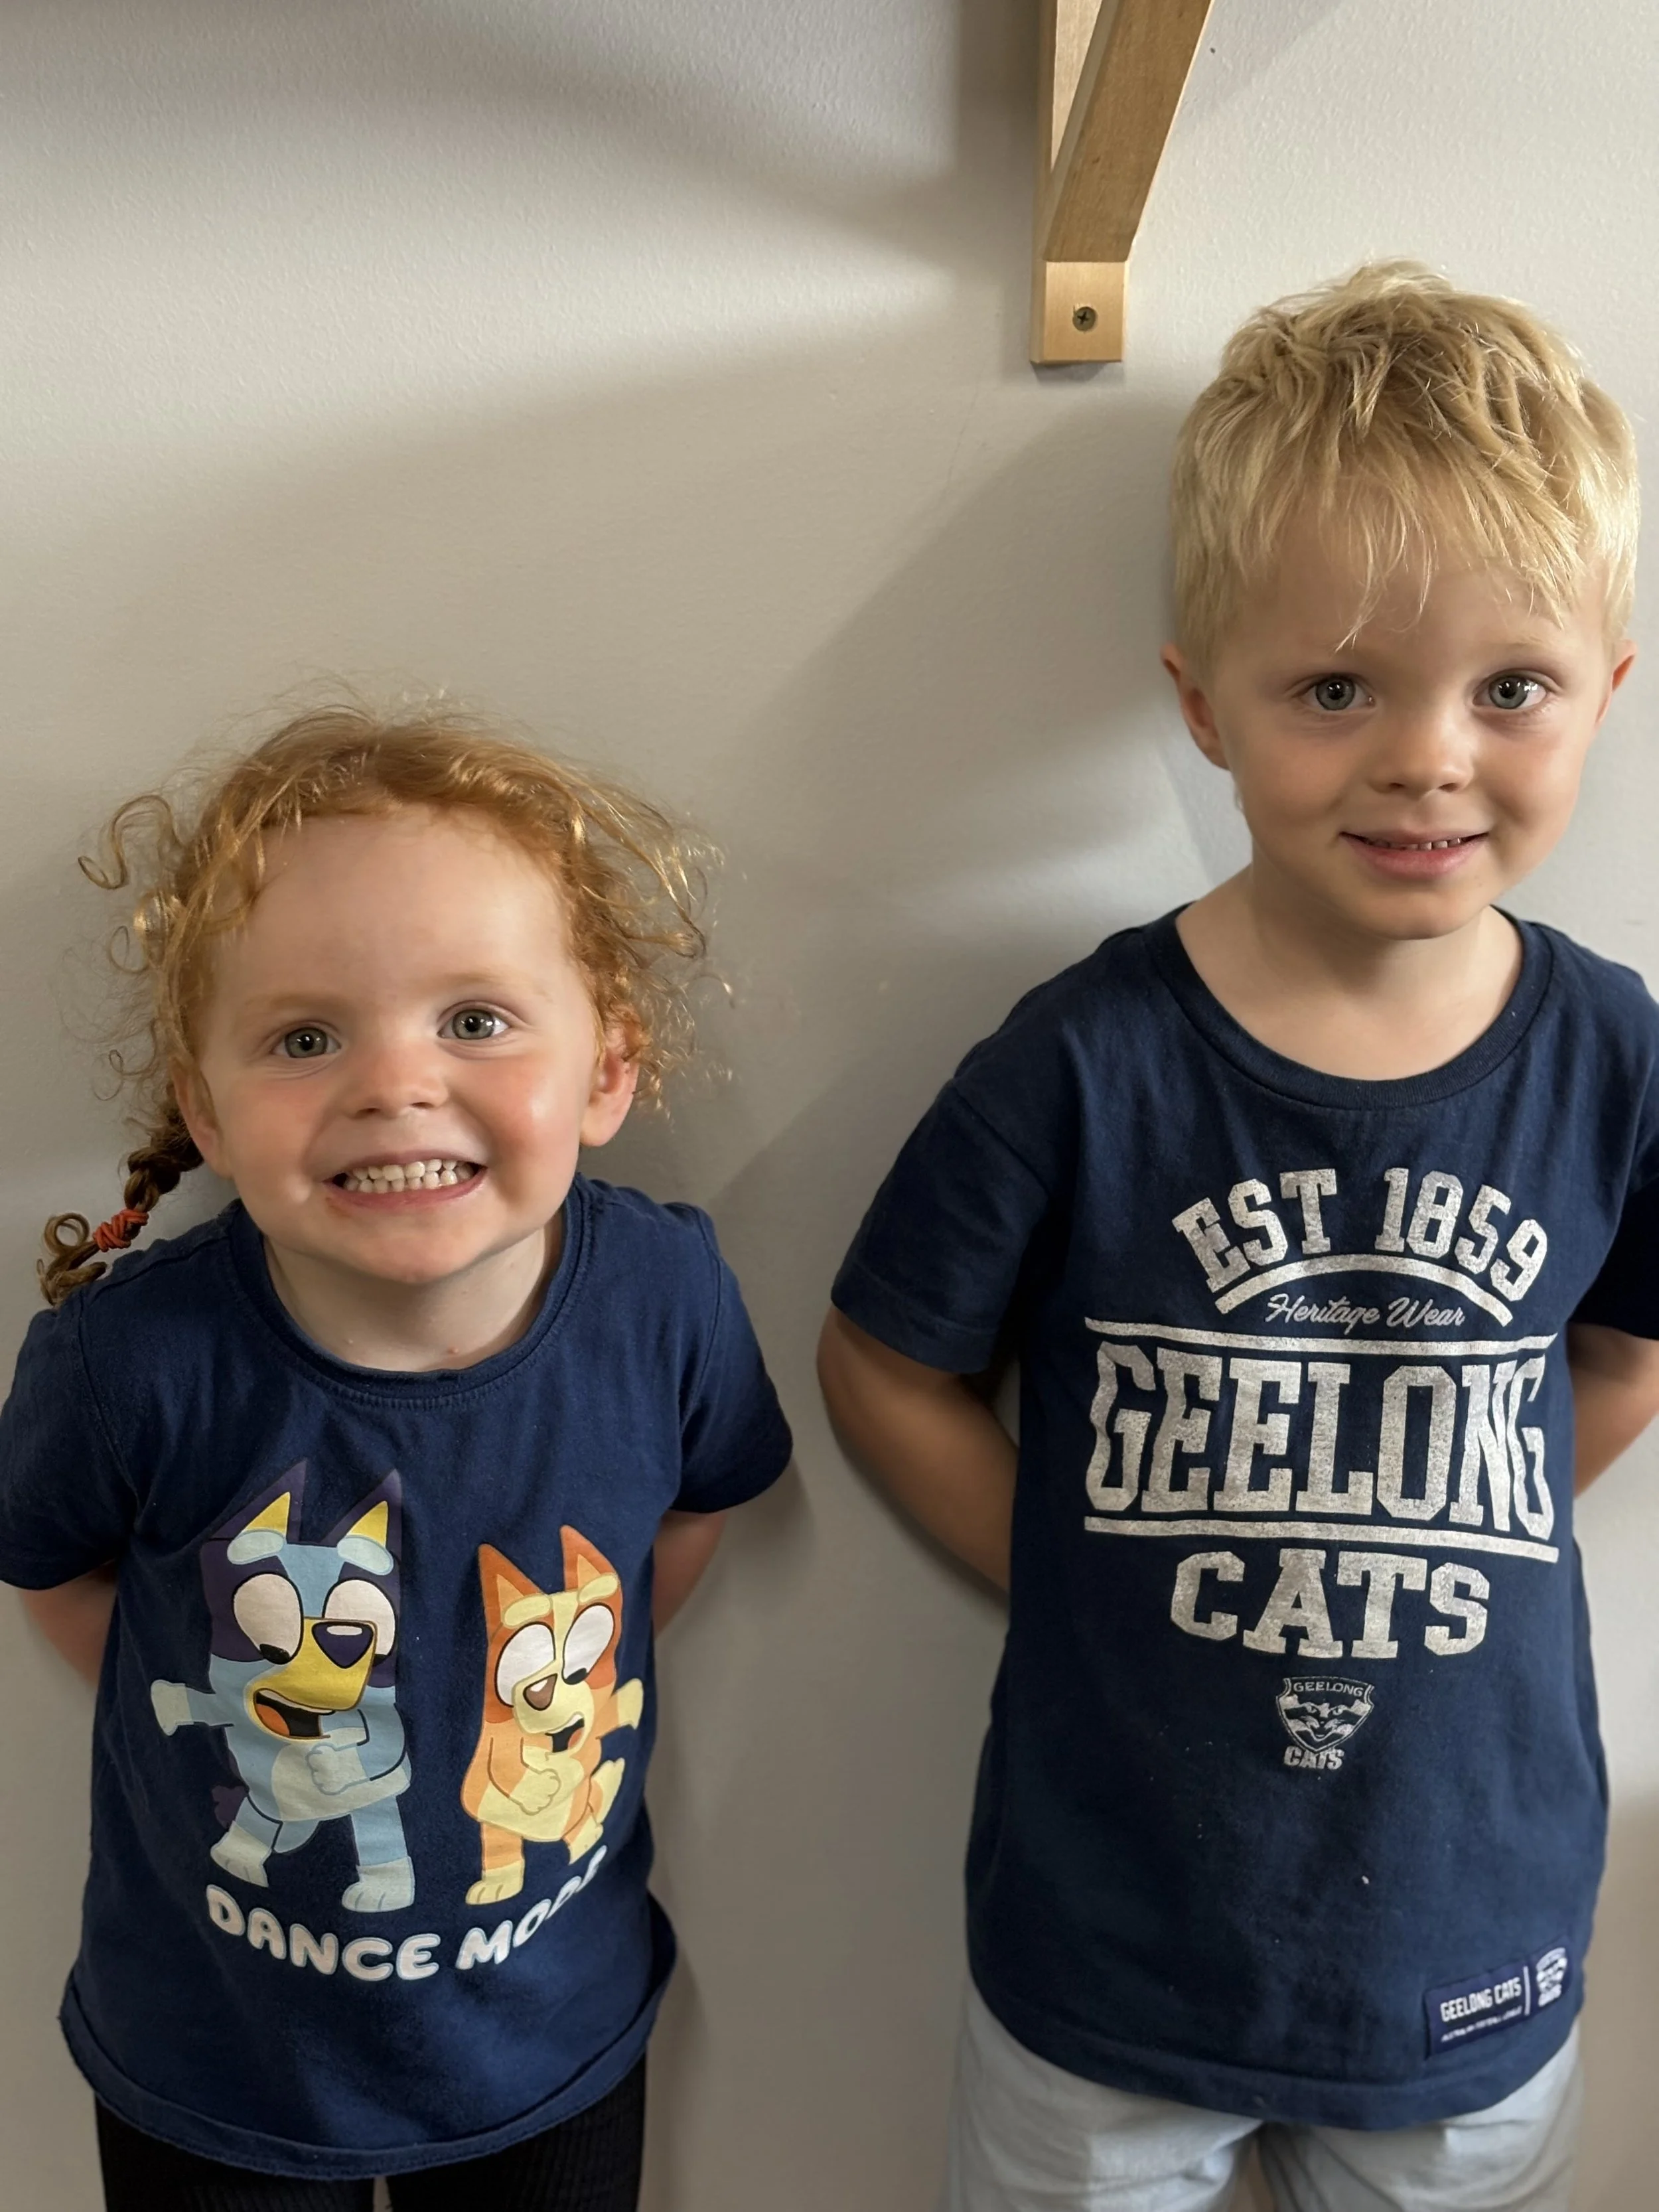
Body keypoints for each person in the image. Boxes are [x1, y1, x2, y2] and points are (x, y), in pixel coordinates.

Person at [818, 264, 1659, 2212]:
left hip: (1467, 1940)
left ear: (1606, 685)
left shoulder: (1616, 1058)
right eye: (1337, 686)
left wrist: (1480, 1496)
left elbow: (1618, 1353)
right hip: (1108, 1944)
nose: (1426, 755)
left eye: (1507, 686)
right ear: (1205, 706)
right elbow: (882, 1352)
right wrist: (1067, 1564)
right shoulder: (1082, 1056)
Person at [0, 701, 792, 2210]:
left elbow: (684, 1523)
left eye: (475, 1019)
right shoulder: (129, 1364)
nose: (393, 1081)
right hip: (213, 2061)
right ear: (205, 1109)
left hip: (544, 2035)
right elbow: (56, 1576)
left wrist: (523, 1686)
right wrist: (247, 1727)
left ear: (607, 1071)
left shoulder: (663, 1299)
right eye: (306, 1037)